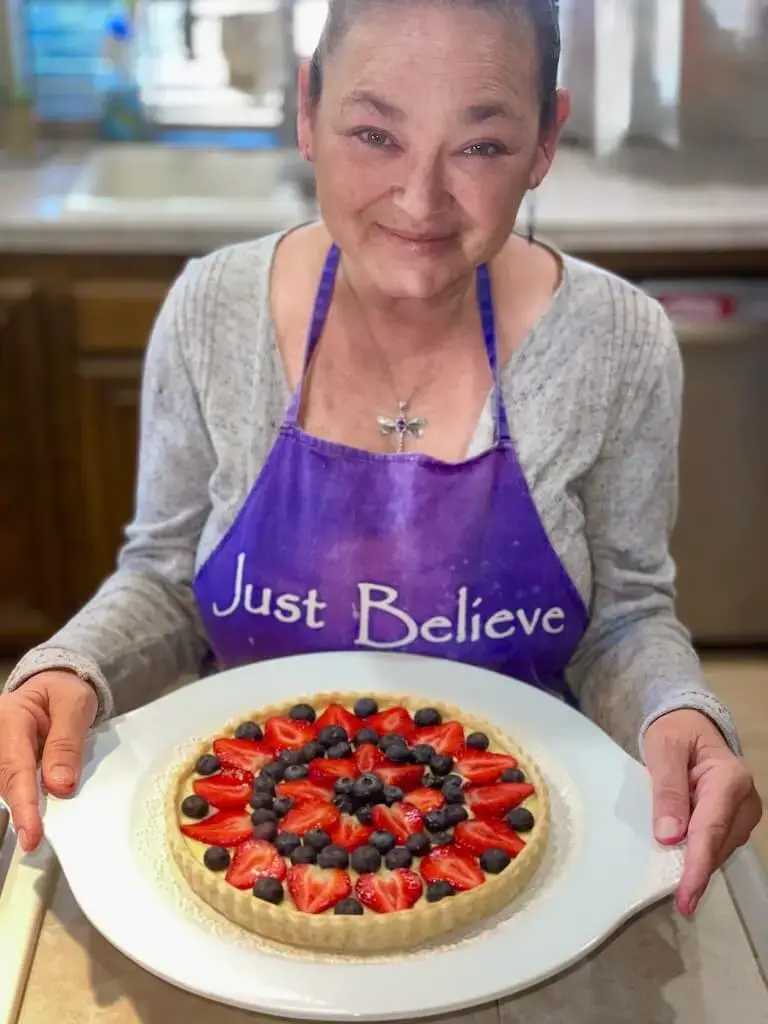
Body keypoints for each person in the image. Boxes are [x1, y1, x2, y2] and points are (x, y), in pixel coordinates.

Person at [0, 0, 760, 917]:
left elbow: (625, 616)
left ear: (546, 141)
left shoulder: (619, 341)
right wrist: (71, 667)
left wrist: (677, 712)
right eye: (374, 133)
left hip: (517, 866)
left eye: (479, 146)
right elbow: (165, 578)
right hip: (250, 855)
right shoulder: (213, 309)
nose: (420, 198)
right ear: (308, 114)